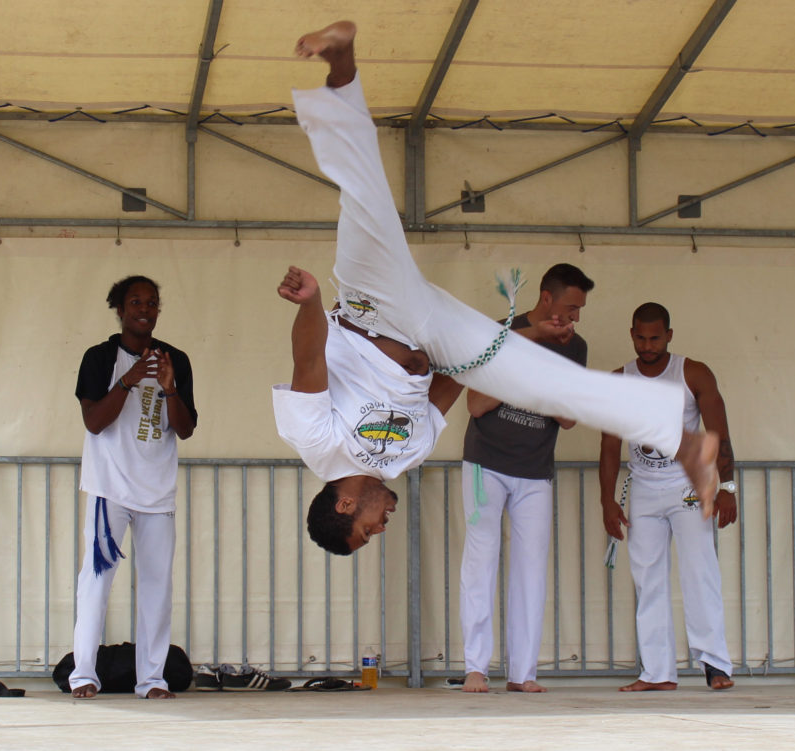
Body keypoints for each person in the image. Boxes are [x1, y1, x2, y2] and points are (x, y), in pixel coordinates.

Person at [273, 20, 719, 557]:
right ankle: (683, 441)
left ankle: (342, 66)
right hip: (437, 338)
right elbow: (450, 385)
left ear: (344, 507)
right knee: (543, 383)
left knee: (364, 197)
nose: (383, 525)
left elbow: (308, 367)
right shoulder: (402, 458)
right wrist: (507, 345)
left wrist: (312, 303)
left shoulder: (318, 448)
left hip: (372, 309)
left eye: (370, 530)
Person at [459, 263, 593, 694]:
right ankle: (475, 668)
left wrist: (525, 382)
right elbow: (476, 403)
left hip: (536, 470)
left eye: (579, 311)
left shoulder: (577, 347)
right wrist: (532, 349)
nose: (574, 319)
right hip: (486, 463)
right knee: (481, 562)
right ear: (546, 298)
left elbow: (569, 417)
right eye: (570, 308)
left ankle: (523, 674)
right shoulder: (501, 331)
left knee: (532, 570)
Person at [69, 275, 197, 699]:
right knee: (97, 582)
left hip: (157, 493)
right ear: (120, 309)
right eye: (136, 302)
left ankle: (152, 679)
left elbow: (185, 428)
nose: (145, 309)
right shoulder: (100, 357)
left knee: (158, 588)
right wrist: (129, 380)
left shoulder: (175, 358)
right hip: (111, 489)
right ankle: (83, 674)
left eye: (153, 302)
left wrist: (168, 388)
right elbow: (94, 422)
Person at [599, 302, 736, 692]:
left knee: (700, 572)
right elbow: (609, 446)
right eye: (640, 337)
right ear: (632, 334)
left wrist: (727, 488)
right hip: (643, 491)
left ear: (669, 335)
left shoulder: (692, 373)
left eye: (655, 337)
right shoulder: (619, 380)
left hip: (688, 488)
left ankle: (715, 664)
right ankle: (657, 672)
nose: (647, 345)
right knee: (648, 578)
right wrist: (608, 501)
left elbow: (719, 434)